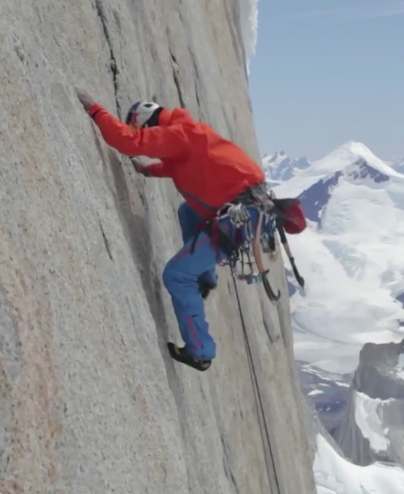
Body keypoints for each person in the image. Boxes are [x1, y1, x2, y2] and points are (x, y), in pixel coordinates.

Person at [74, 87, 277, 371]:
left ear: (148, 123)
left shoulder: (178, 134)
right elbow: (179, 165)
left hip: (240, 220)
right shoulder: (188, 133)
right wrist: (147, 171)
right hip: (249, 210)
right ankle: (205, 279)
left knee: (176, 275)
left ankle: (200, 352)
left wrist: (94, 110)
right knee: (187, 212)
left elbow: (129, 141)